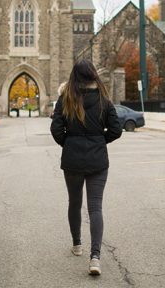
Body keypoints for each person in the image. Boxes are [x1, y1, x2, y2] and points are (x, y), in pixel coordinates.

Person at [50, 59, 122, 276]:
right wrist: (100, 141)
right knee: (95, 207)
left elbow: (56, 129)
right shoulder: (104, 100)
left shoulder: (66, 99)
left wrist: (69, 143)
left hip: (72, 159)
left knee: (74, 202)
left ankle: (77, 244)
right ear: (93, 76)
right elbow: (116, 130)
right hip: (97, 160)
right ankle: (95, 257)